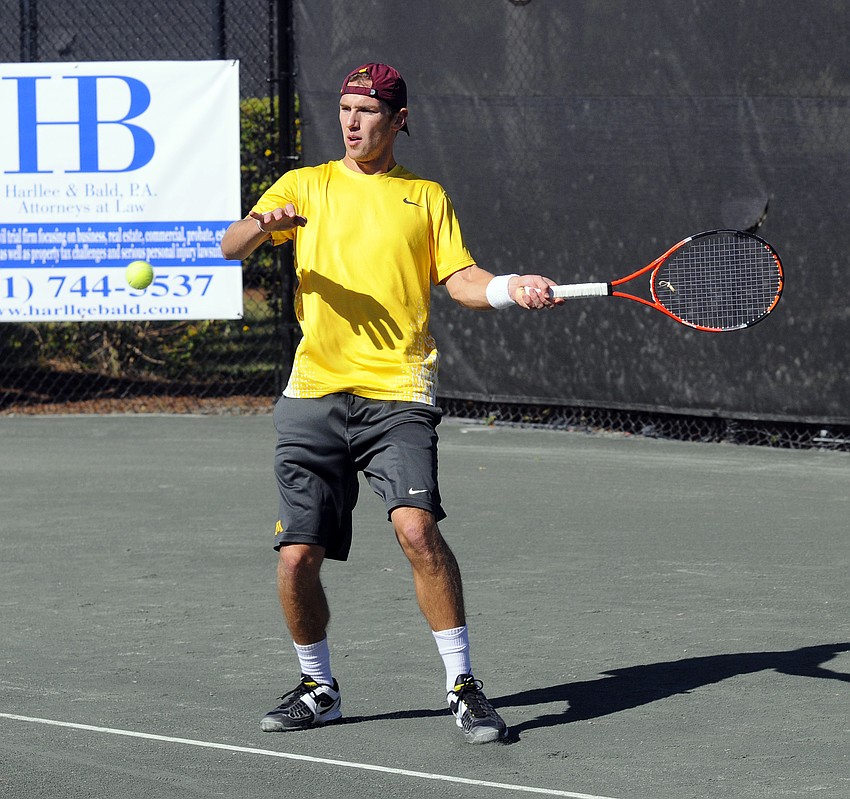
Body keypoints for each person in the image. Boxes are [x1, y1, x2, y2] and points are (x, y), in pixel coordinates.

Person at [221, 62, 562, 744]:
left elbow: (462, 278)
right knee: (295, 559)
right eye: (345, 108)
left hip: (398, 393)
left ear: (398, 119)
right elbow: (230, 244)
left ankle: (463, 685)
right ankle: (319, 688)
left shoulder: (425, 197)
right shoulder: (305, 186)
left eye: (367, 111)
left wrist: (510, 286)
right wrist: (264, 225)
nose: (352, 122)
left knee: (415, 529)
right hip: (311, 395)